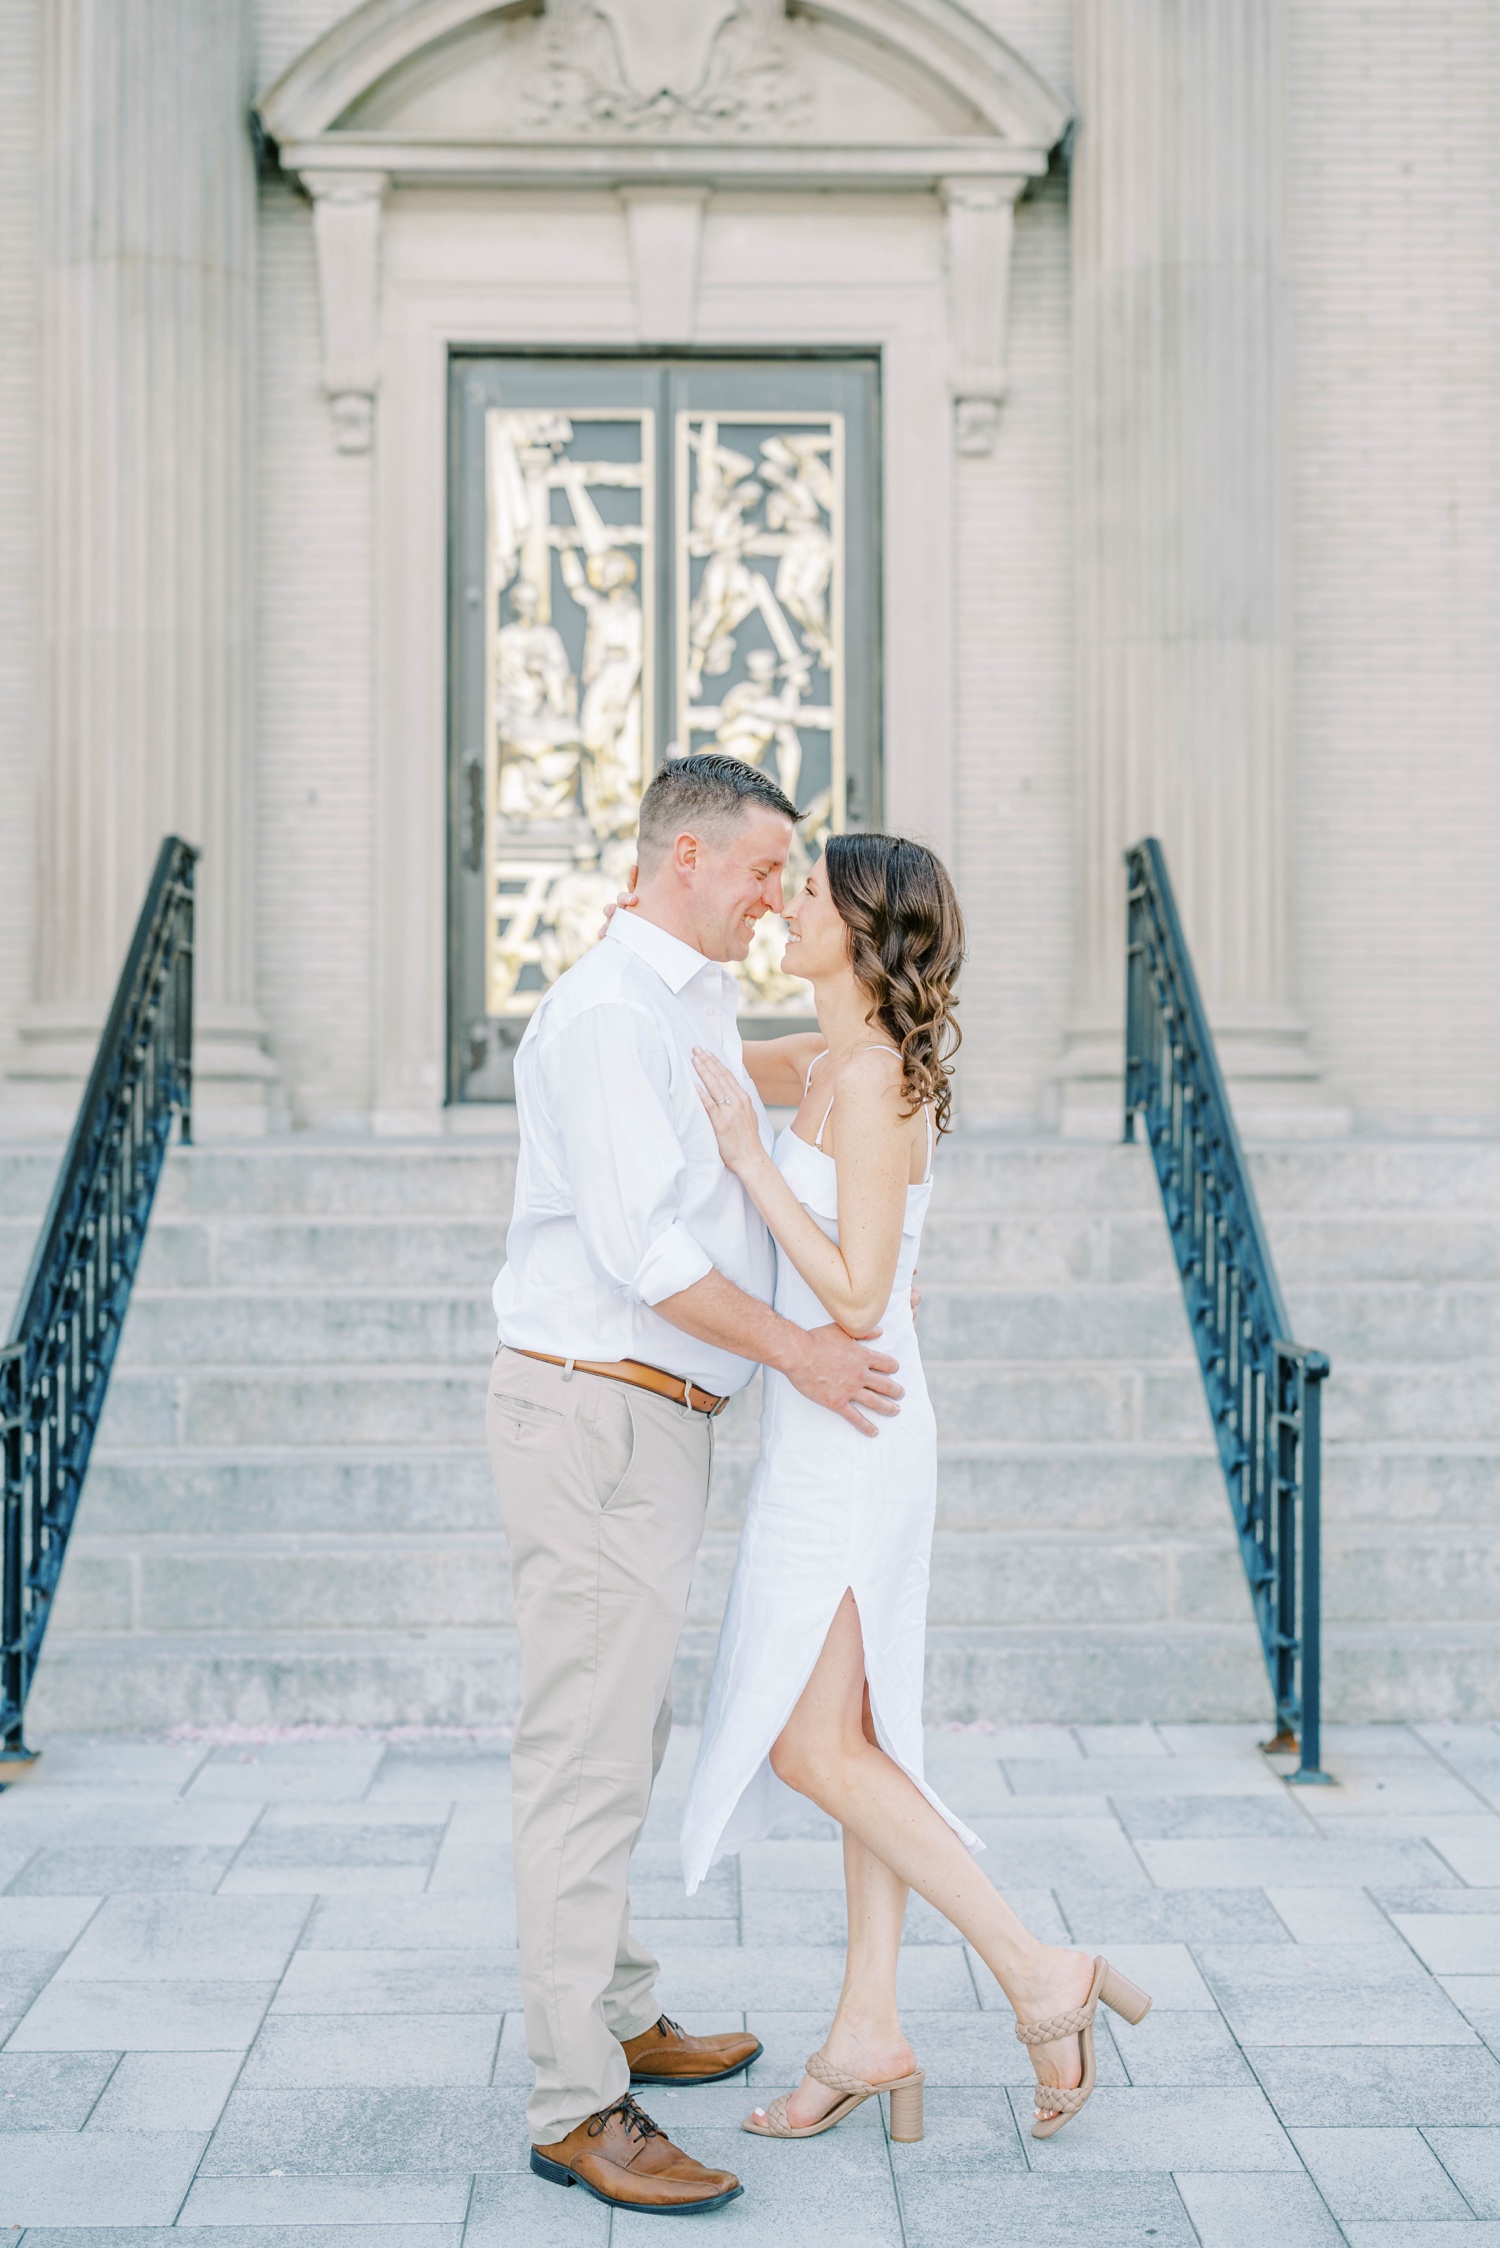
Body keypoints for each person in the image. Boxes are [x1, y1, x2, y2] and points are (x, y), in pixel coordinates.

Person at [678, 834, 1153, 2145]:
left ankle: (1033, 1966)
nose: (784, 912)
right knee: (863, 1744)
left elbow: (859, 1294)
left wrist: (750, 1160)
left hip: (859, 1434)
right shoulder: (832, 1058)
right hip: (831, 1424)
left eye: (808, 898)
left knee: (814, 1742)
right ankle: (869, 2027)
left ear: (865, 928)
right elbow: (706, 1054)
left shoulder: (878, 1075)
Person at [486, 752, 905, 2216]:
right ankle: (574, 2103)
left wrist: (879, 1056)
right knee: (585, 1761)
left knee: (624, 1727)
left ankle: (616, 2008)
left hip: (651, 1425)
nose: (778, 895)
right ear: (681, 862)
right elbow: (645, 1255)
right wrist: (802, 1349)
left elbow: (752, 1085)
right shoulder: (608, 1016)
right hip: (594, 1412)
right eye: (760, 871)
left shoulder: (685, 996)